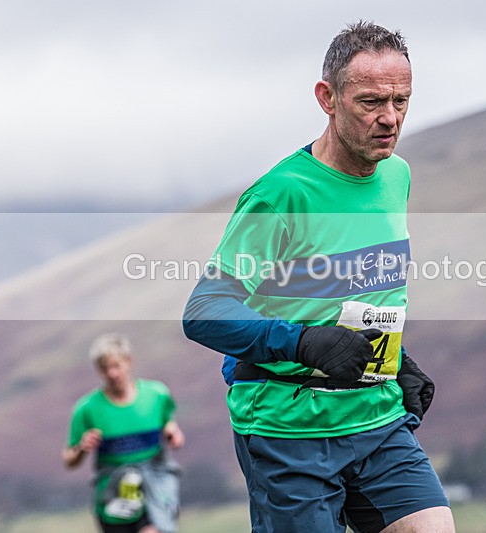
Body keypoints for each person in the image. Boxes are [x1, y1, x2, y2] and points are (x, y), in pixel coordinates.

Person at [182, 21, 455, 532]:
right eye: (371, 102)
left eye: (401, 101)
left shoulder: (396, 176)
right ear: (327, 97)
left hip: (376, 418)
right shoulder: (281, 195)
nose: (389, 119)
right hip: (288, 431)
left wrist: (392, 361)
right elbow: (204, 312)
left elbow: (355, 288)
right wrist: (303, 342)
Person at [63, 333, 184, 533]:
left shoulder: (156, 395)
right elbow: (69, 460)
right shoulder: (86, 409)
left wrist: (173, 436)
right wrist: (83, 448)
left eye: (116, 366)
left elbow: (172, 429)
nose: (112, 373)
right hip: (113, 496)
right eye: (104, 368)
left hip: (153, 487)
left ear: (129, 362)